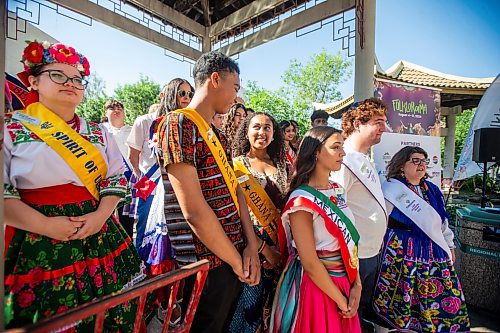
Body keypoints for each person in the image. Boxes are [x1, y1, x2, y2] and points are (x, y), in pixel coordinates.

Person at [4, 40, 148, 330]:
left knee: (112, 313)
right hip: (37, 236)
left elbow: (116, 178)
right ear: (34, 81)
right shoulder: (10, 128)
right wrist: (46, 226)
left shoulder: (97, 133)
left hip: (100, 232)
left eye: (77, 79)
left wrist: (99, 216)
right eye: (57, 75)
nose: (70, 83)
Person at [155, 51, 261, 332]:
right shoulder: (178, 124)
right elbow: (194, 211)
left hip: (234, 255)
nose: (236, 97)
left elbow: (236, 191)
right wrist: (236, 261)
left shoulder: (220, 136)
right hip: (205, 263)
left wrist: (250, 244)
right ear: (215, 79)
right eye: (235, 88)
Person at [270, 126, 361, 333]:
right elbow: (310, 262)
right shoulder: (301, 200)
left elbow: (350, 242)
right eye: (335, 147)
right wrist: (341, 301)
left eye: (342, 147)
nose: (343, 153)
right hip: (318, 288)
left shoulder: (338, 190)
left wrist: (357, 285)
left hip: (346, 280)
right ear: (316, 152)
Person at [373, 146, 470, 332]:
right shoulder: (391, 189)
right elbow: (380, 221)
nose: (421, 165)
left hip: (432, 250)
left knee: (436, 291)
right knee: (401, 290)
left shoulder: (432, 190)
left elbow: (442, 223)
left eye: (424, 161)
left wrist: (450, 245)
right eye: (415, 160)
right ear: (401, 165)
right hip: (401, 249)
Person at [329, 97, 388, 332]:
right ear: (357, 124)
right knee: (347, 311)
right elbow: (333, 206)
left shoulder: (363, 158)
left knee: (359, 310)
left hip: (371, 250)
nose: (384, 128)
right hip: (354, 254)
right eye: (377, 122)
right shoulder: (343, 159)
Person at [229, 113, 287, 332]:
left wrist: (278, 250)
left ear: (274, 135)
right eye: (256, 127)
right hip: (251, 248)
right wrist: (262, 248)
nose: (261, 132)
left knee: (274, 312)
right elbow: (235, 213)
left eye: (267, 128)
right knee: (247, 312)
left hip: (280, 248)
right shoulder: (236, 166)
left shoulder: (282, 166)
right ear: (246, 132)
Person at [103, 99, 135, 237]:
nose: (116, 110)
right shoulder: (100, 130)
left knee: (126, 219)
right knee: (106, 219)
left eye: (119, 108)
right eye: (112, 108)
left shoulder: (133, 130)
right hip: (106, 181)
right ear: (105, 112)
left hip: (129, 181)